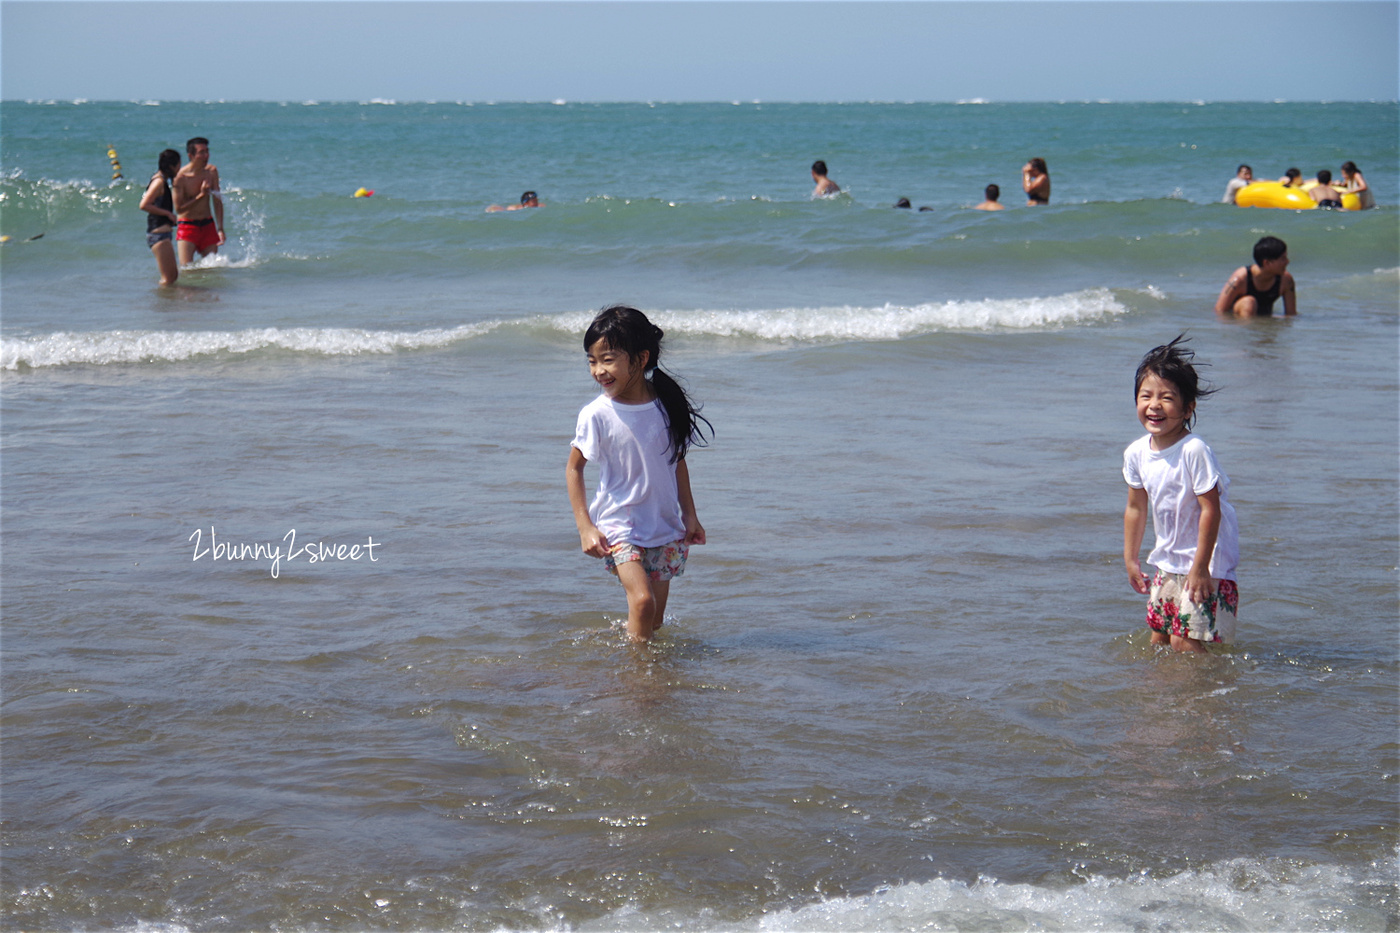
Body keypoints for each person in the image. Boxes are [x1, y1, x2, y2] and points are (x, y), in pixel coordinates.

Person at [566, 306, 711, 643]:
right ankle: (639, 682)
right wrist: (585, 526)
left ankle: (645, 663)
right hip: (620, 526)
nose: (599, 370)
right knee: (643, 603)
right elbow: (574, 468)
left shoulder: (666, 406)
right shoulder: (596, 414)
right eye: (592, 360)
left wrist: (690, 515)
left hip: (664, 526)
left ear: (641, 358)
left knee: (655, 622)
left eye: (608, 359)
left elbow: (677, 462)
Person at [1122, 335, 1239, 653]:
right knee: (1159, 637)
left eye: (1167, 398)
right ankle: (1167, 699)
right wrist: (1131, 559)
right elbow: (1135, 508)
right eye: (1146, 396)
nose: (1154, 405)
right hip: (1168, 560)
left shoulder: (1194, 450)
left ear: (1188, 408)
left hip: (1207, 562)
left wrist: (1201, 568)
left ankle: (1207, 698)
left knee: (1184, 641)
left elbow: (1210, 510)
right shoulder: (1136, 453)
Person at [1214, 235, 1296, 317]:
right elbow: (1220, 310)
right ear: (1266, 263)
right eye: (1283, 259)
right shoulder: (1240, 278)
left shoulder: (1286, 280)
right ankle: (1247, 330)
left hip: (1263, 319)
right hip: (1238, 319)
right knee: (1249, 302)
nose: (1287, 262)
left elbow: (1291, 314)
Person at [173, 137, 224, 263]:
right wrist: (200, 196)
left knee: (212, 270)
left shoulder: (211, 172)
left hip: (208, 225)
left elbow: (217, 201)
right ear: (191, 155)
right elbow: (178, 208)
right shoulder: (180, 177)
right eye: (202, 152)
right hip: (188, 226)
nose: (206, 155)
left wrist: (220, 228)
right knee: (187, 271)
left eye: (207, 151)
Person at [139, 149, 181, 286]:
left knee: (172, 276)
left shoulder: (161, 180)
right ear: (171, 167)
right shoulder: (158, 182)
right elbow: (144, 205)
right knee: (168, 279)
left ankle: (167, 304)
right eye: (178, 166)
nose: (179, 169)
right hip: (158, 235)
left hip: (163, 234)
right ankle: (162, 304)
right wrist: (168, 214)